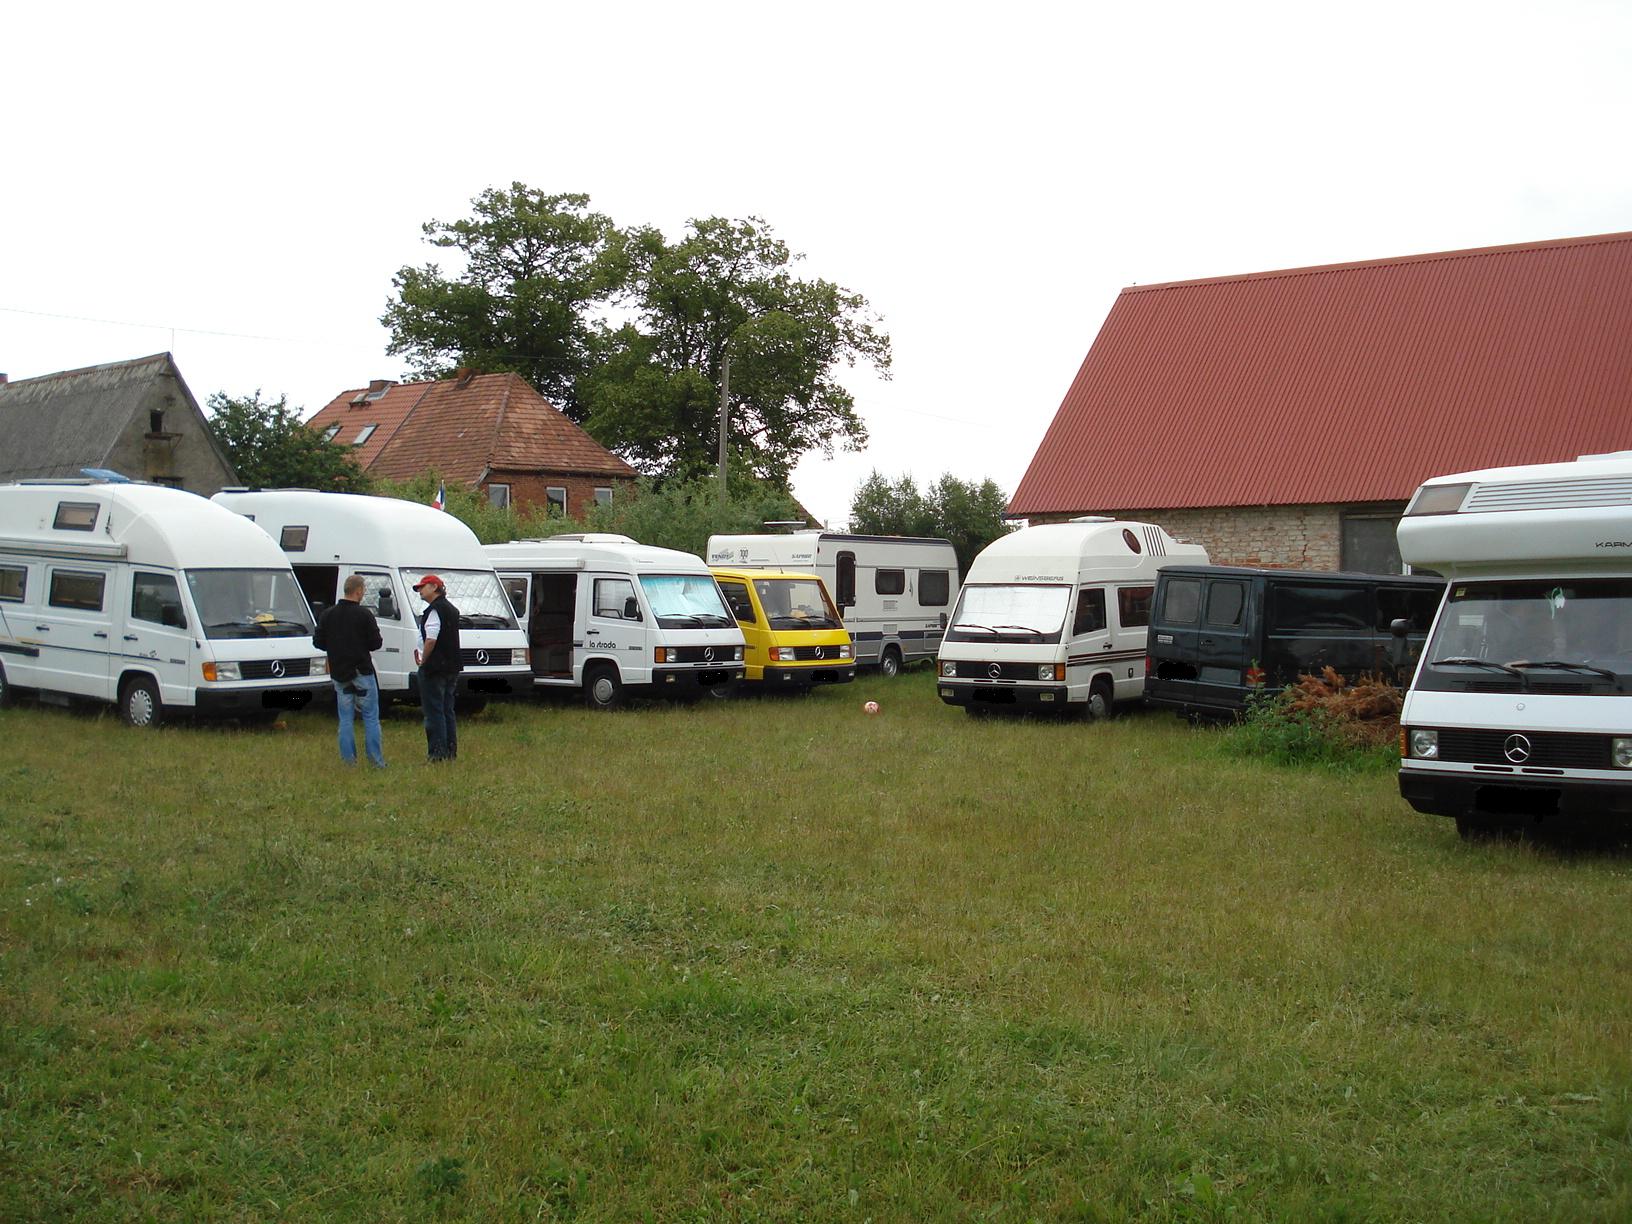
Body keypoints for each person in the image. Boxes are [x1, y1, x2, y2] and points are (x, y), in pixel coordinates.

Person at [312, 573, 386, 768]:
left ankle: (348, 762)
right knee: (370, 717)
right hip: (362, 670)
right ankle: (376, 761)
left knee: (345, 719)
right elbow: (376, 643)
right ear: (358, 591)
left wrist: (335, 647)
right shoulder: (364, 615)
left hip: (339, 672)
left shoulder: (328, 614)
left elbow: (318, 641)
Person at [413, 574, 463, 762]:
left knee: (434, 711)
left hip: (435, 667)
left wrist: (423, 661)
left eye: (422, 587)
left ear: (434, 587)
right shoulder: (452, 609)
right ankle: (450, 751)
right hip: (451, 666)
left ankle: (437, 753)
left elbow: (431, 639)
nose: (419, 590)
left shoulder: (434, 610)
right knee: (447, 710)